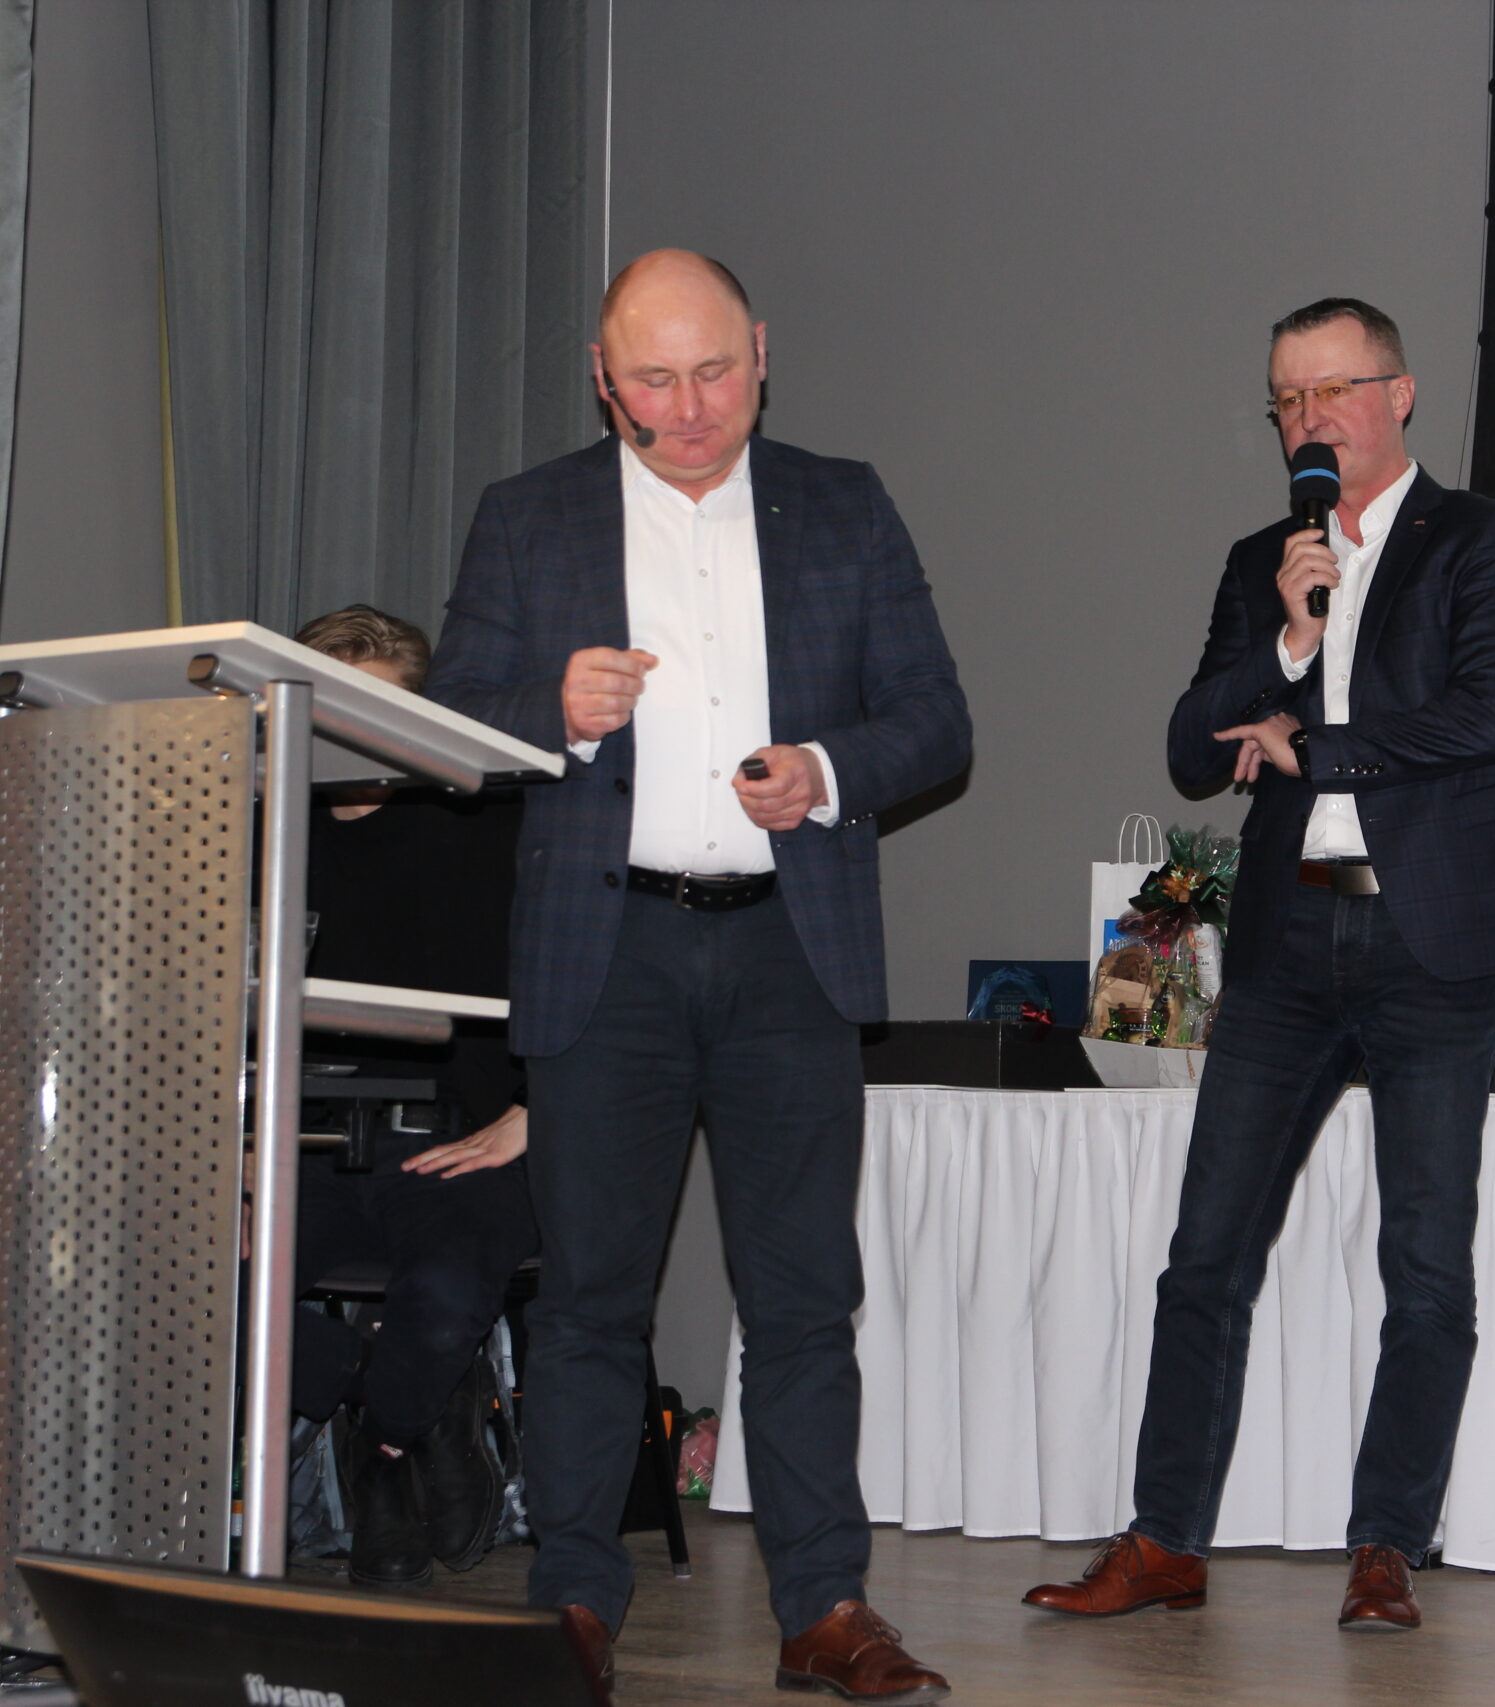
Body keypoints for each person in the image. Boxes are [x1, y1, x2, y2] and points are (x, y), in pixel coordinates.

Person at [426, 250, 969, 1702]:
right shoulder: (529, 515)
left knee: (803, 1298)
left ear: (762, 354)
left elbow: (936, 717)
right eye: (652, 381)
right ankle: (573, 1604)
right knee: (589, 1301)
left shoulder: (843, 502)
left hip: (789, 945)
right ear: (603, 381)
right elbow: (450, 721)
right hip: (607, 956)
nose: (686, 408)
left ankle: (825, 1606)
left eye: (713, 371)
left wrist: (828, 770)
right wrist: (551, 710)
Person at [1024, 298, 1495, 1633]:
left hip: (1428, 940)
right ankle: (1163, 1538)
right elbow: (1188, 748)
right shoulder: (1264, 563)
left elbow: (1485, 718)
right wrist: (1287, 643)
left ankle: (1387, 1542)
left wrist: (1315, 745)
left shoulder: (1480, 538)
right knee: (1204, 1253)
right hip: (1285, 943)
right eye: (1286, 400)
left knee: (1424, 1260)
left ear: (1400, 394)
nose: (1307, 421)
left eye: (1331, 391)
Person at [287, 604, 539, 1591]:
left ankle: (384, 1445)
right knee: (179, 1285)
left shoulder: (487, 823)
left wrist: (536, 1111)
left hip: (456, 1135)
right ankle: (399, 1415)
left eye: (380, 711)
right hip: (301, 1140)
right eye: (336, 709)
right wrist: (237, 1140)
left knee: (442, 1299)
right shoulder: (260, 827)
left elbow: (591, 972)